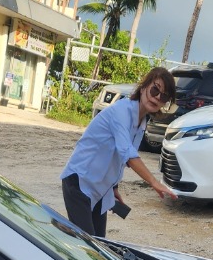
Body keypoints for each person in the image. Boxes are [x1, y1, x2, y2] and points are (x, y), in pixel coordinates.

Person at [60, 68, 177, 237]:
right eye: (155, 90)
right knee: (87, 244)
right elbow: (128, 154)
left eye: (164, 97)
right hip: (80, 182)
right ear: (143, 87)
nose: (158, 97)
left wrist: (113, 187)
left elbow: (119, 158)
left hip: (100, 190)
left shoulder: (141, 122)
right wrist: (154, 182)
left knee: (100, 244)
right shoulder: (121, 111)